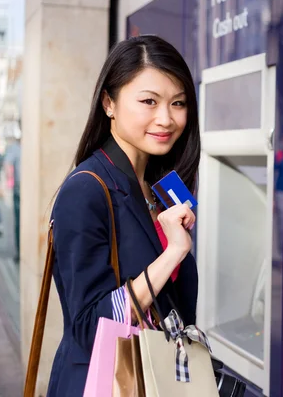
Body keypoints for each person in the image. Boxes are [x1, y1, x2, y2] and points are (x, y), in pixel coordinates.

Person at [47, 35, 201, 396]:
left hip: (154, 377)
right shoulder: (86, 190)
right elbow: (89, 326)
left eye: (178, 103)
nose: (166, 118)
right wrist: (173, 254)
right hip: (104, 383)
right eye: (149, 101)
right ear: (109, 103)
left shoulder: (158, 186)